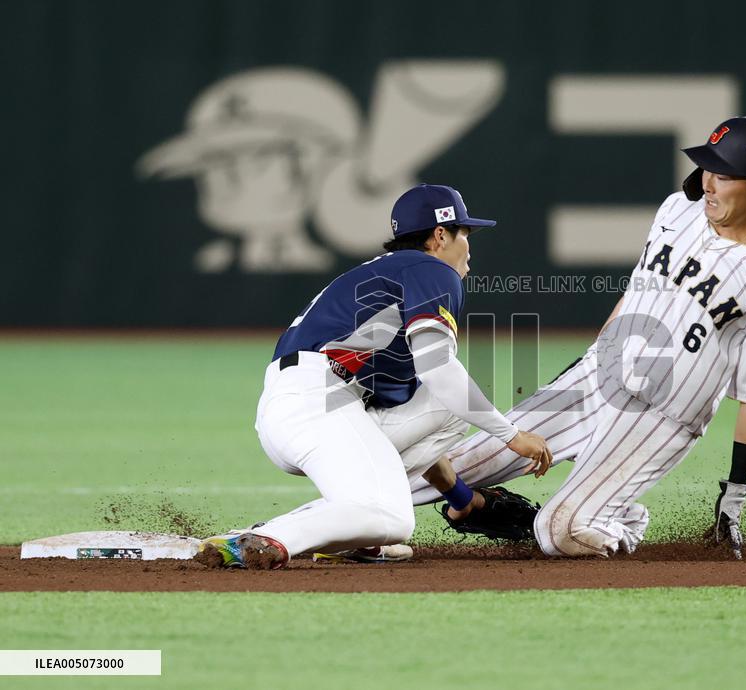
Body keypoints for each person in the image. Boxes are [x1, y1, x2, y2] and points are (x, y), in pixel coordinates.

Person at [411, 117, 746, 558]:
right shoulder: (678, 210)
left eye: (725, 175)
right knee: (443, 467)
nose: (709, 183)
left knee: (557, 532)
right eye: (708, 168)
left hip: (661, 418)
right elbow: (637, 289)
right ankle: (366, 514)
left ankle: (622, 520)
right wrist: (590, 358)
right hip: (594, 379)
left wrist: (735, 494)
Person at [197, 184, 552, 569]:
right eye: (464, 233)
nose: (468, 246)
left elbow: (432, 412)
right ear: (440, 236)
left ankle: (345, 538)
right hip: (317, 402)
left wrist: (462, 498)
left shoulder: (390, 275)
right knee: (394, 520)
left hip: (307, 404)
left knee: (449, 409)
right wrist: (512, 436)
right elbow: (438, 368)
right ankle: (267, 538)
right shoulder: (431, 270)